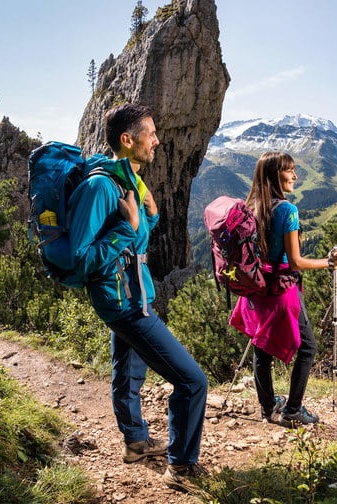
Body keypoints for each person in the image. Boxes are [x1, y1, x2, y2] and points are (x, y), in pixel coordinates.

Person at [67, 103, 208, 492]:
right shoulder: (100, 187)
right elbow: (81, 260)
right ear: (127, 140)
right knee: (193, 382)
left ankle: (135, 442)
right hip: (123, 303)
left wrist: (150, 216)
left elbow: (136, 239)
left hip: (133, 294)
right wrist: (129, 227)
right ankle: (180, 469)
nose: (158, 140)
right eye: (151, 132)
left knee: (129, 371)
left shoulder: (131, 182)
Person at [229, 151, 337, 428]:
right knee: (307, 347)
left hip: (255, 287)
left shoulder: (250, 207)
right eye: (289, 170)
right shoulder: (288, 211)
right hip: (281, 289)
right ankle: (292, 409)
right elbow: (295, 261)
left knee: (260, 346)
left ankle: (268, 407)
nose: (295, 175)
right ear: (274, 175)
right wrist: (328, 262)